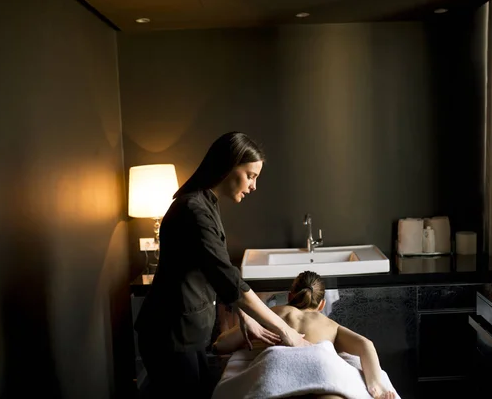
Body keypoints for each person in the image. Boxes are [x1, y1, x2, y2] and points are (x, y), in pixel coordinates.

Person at [134, 131, 310, 399]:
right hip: (169, 335)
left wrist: (244, 316)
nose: (253, 186)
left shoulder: (207, 202)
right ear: (228, 167)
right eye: (250, 176)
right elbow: (229, 278)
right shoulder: (193, 211)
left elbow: (215, 271)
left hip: (187, 333)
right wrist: (286, 332)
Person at [212, 271, 397, 399]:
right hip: (321, 367)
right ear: (322, 305)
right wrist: (376, 389)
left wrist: (251, 332)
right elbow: (366, 345)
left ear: (290, 296)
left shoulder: (273, 314)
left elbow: (221, 345)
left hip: (277, 366)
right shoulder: (330, 325)